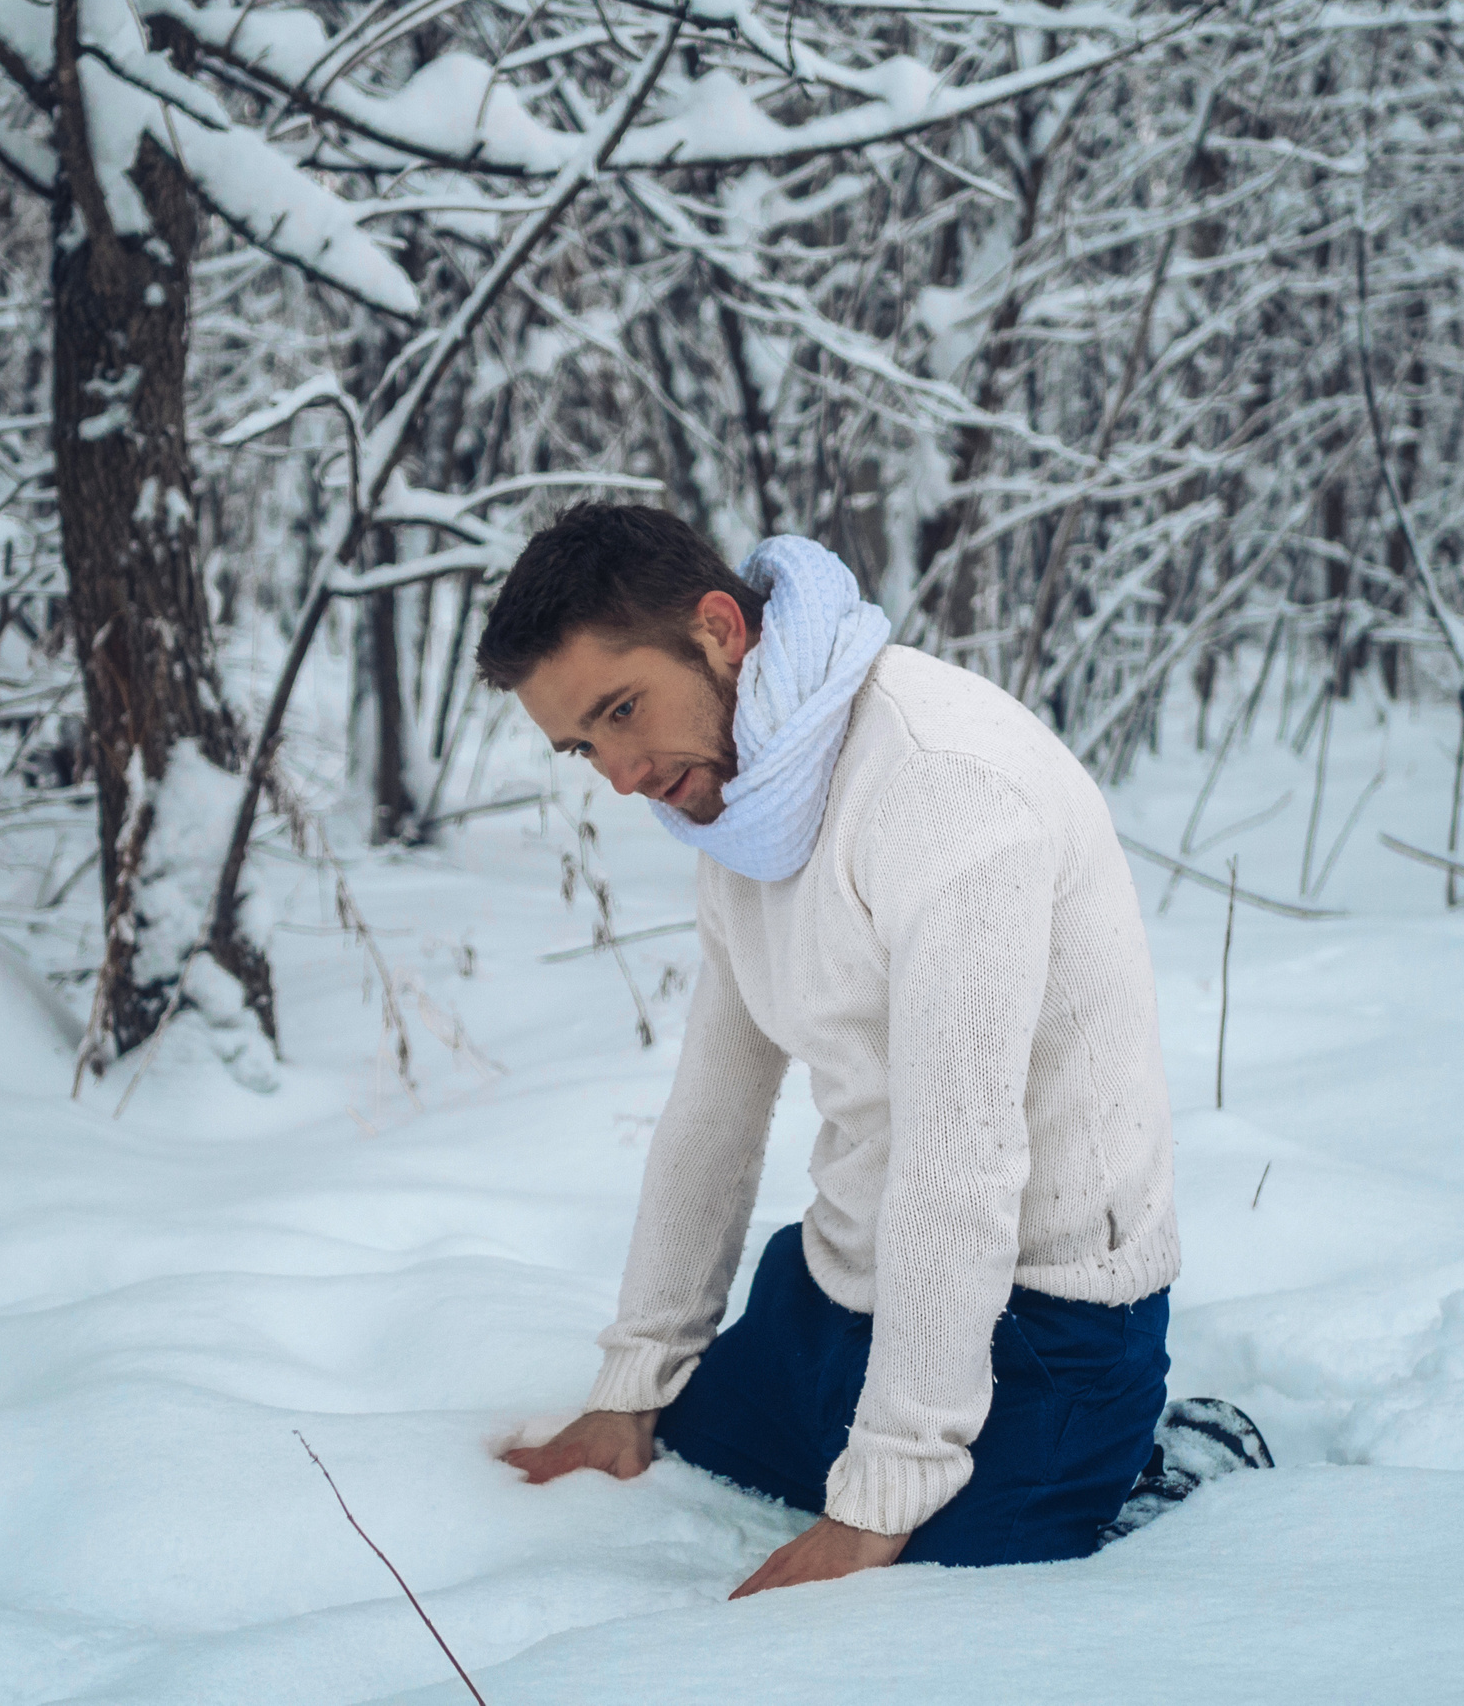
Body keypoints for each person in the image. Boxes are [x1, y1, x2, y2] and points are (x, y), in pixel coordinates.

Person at [477, 503, 1179, 1598]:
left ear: (720, 630)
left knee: (924, 1597)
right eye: (582, 746)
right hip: (842, 1287)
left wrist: (879, 1499)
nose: (617, 774)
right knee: (684, 1446)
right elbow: (714, 1107)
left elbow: (964, 1161)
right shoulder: (743, 797)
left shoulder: (944, 785)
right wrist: (633, 1383)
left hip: (1047, 1318)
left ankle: (1154, 1461)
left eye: (622, 711)